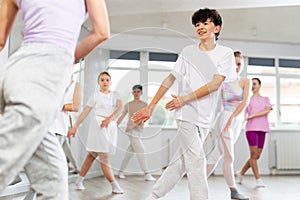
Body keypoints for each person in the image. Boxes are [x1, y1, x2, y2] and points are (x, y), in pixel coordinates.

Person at [0, 0, 110, 199]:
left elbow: (0, 40)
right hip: (46, 70)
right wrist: (70, 59)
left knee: (53, 177)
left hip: (15, 68)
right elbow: (101, 32)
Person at [132, 8, 236, 200]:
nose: (200, 27)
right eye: (197, 25)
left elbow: (215, 84)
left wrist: (185, 99)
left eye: (205, 23)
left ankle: (153, 196)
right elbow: (170, 79)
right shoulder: (188, 52)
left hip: (205, 118)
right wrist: (151, 106)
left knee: (179, 164)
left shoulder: (225, 53)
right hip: (185, 113)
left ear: (216, 28)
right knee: (196, 160)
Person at [68, 72, 124, 194]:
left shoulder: (115, 95)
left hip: (110, 126)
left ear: (110, 82)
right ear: (98, 82)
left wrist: (110, 119)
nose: (105, 82)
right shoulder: (95, 95)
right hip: (98, 126)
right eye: (102, 80)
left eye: (107, 80)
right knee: (104, 157)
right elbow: (84, 112)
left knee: (91, 155)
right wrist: (75, 127)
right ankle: (114, 185)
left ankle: (79, 180)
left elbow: (120, 108)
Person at [206, 51, 250, 200]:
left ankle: (197, 181)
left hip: (236, 120)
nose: (236, 67)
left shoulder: (245, 81)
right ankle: (233, 190)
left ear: (242, 65)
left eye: (239, 64)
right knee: (229, 156)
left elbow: (245, 102)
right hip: (225, 119)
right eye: (234, 64)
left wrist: (233, 117)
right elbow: (216, 106)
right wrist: (212, 126)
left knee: (216, 154)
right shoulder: (223, 83)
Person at [237, 78, 272, 187]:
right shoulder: (248, 100)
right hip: (251, 129)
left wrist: (253, 115)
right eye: (251, 84)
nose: (253, 86)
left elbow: (267, 110)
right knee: (253, 154)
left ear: (260, 85)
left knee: (257, 156)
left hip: (263, 129)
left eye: (255, 84)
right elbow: (242, 111)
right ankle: (258, 179)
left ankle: (241, 173)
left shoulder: (266, 99)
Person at [117, 84, 156, 181]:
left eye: (138, 91)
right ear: (132, 93)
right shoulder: (128, 105)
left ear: (141, 93)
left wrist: (134, 125)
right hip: (131, 130)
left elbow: (145, 118)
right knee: (141, 150)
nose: (136, 93)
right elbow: (121, 116)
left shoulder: (144, 105)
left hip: (138, 130)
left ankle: (120, 171)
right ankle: (146, 173)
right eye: (134, 92)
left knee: (129, 152)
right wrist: (115, 125)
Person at [48, 79, 81, 174]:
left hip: (58, 127)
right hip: (51, 125)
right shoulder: (53, 82)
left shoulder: (75, 85)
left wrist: (72, 127)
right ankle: (74, 167)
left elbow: (75, 107)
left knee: (53, 158)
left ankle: (72, 167)